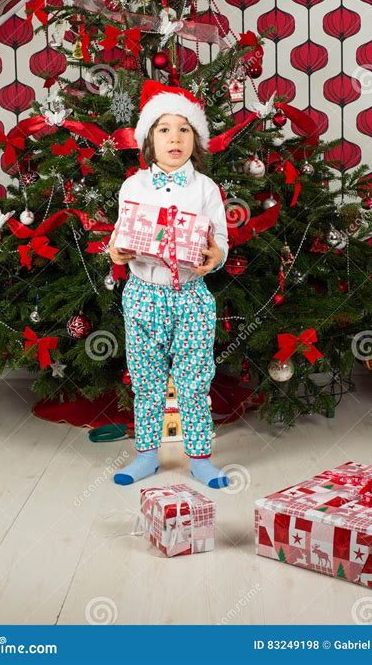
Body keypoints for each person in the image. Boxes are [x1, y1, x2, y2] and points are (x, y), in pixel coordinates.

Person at [109, 80, 230, 488]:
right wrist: (117, 252)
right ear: (148, 139)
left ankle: (199, 458)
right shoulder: (134, 186)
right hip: (142, 296)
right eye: (164, 129)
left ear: (195, 140)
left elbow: (222, 241)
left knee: (194, 379)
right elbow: (119, 235)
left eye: (184, 129)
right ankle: (146, 455)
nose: (174, 138)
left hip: (191, 298)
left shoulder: (206, 189)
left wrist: (218, 256)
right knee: (145, 380)